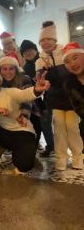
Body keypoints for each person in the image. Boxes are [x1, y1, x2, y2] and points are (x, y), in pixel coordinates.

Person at [35, 21, 83, 171]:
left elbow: (73, 74)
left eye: (48, 39)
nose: (45, 42)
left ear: (54, 39)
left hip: (72, 99)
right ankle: (61, 157)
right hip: (54, 100)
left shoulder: (66, 53)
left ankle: (78, 156)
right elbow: (40, 82)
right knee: (59, 127)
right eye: (42, 40)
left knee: (72, 126)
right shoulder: (39, 60)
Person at [20, 39, 54, 156]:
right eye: (25, 52)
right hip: (37, 102)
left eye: (30, 50)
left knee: (59, 124)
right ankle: (50, 146)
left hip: (52, 97)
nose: (28, 53)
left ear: (35, 49)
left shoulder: (45, 60)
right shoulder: (25, 68)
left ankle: (58, 147)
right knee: (43, 124)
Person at [62, 42, 84, 152]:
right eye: (67, 61)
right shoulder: (69, 83)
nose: (72, 64)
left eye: (75, 58)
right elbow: (78, 109)